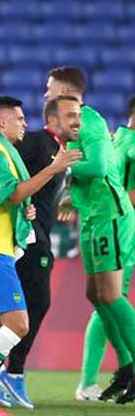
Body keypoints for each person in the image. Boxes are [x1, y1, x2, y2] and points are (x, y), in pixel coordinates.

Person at [0, 96, 80, 416]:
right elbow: (14, 192)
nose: (25, 124)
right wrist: (52, 169)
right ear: (3, 122)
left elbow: (6, 199)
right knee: (19, 325)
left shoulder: (0, 152)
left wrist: (24, 210)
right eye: (20, 119)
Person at [47, 67, 135, 404]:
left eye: (50, 88)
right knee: (97, 296)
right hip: (94, 218)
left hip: (110, 217)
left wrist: (63, 169)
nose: (45, 94)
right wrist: (72, 191)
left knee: (111, 296)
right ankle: (126, 367)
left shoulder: (89, 121)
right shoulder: (73, 126)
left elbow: (98, 167)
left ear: (66, 91)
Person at [0, 96, 75, 408]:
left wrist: (65, 195)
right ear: (52, 121)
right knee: (34, 304)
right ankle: (10, 372)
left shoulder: (58, 150)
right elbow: (8, 176)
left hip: (35, 235)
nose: (77, 120)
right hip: (29, 238)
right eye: (71, 115)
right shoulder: (39, 143)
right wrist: (22, 208)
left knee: (21, 309)